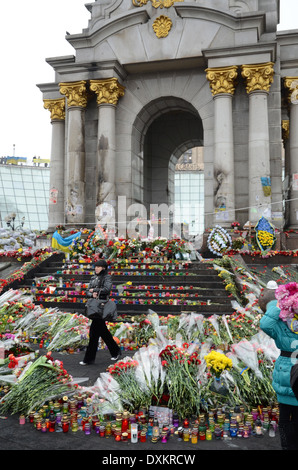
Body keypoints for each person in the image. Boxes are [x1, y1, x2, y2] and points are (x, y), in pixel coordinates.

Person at [259, 282, 298, 450]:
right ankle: (286, 446)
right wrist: (279, 303)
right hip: (286, 371)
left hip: (289, 371)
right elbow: (265, 325)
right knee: (284, 417)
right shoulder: (281, 323)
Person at [80, 259, 121, 365]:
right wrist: (91, 294)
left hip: (101, 307)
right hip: (94, 307)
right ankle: (115, 351)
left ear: (103, 268)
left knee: (94, 333)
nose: (96, 268)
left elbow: (107, 289)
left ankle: (88, 359)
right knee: (102, 332)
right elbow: (87, 291)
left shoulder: (107, 277)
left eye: (98, 267)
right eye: (95, 267)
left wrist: (94, 291)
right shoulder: (93, 277)